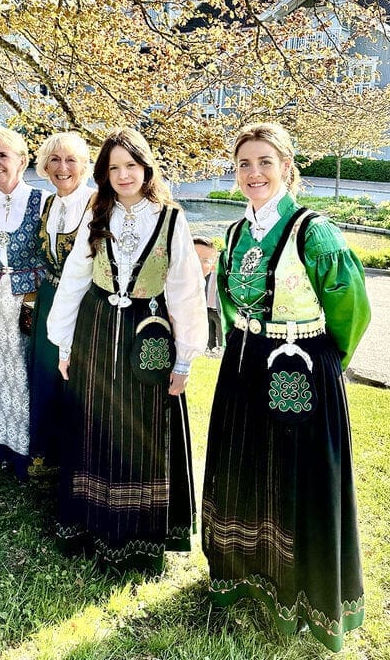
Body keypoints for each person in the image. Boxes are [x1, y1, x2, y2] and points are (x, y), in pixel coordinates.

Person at [201, 122, 370, 652]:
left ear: (287, 167)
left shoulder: (313, 232)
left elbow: (352, 307)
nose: (254, 173)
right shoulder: (234, 233)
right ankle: (248, 576)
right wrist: (243, 340)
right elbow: (229, 301)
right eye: (244, 163)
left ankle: (300, 593)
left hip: (300, 368)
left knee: (298, 477)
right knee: (245, 469)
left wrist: (325, 361)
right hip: (244, 364)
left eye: (265, 162)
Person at [47, 126, 208, 572]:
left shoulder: (172, 218)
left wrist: (185, 358)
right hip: (96, 330)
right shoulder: (96, 214)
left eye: (131, 165)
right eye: (114, 167)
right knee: (96, 424)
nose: (123, 175)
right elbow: (75, 280)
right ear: (103, 173)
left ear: (146, 167)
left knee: (143, 430)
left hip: (148, 334)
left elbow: (186, 291)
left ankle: (139, 536)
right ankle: (93, 525)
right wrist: (64, 343)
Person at [0, 126, 48, 481]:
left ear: (23, 160)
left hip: (26, 299)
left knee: (22, 375)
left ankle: (27, 455)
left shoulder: (42, 200)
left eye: (4, 155)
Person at [28, 131, 94, 473]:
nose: (62, 167)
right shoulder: (49, 203)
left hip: (84, 305)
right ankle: (47, 457)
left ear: (84, 166)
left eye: (71, 160)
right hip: (49, 299)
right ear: (44, 165)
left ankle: (76, 462)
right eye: (55, 159)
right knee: (47, 375)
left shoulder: (97, 204)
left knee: (76, 381)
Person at [193, 236, 222, 352]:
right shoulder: (207, 275)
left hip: (217, 309)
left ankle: (220, 350)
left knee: (220, 332)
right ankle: (209, 350)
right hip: (206, 308)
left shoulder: (222, 276)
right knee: (209, 331)